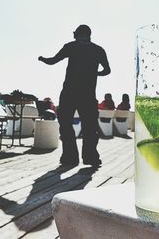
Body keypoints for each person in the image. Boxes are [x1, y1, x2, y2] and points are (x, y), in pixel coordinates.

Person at [38, 24, 111, 167]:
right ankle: (90, 157)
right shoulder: (98, 50)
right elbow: (107, 70)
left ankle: (70, 157)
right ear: (89, 35)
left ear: (76, 34)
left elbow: (53, 60)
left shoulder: (70, 46)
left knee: (65, 124)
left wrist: (42, 58)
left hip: (69, 93)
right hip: (88, 94)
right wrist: (94, 73)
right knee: (90, 127)